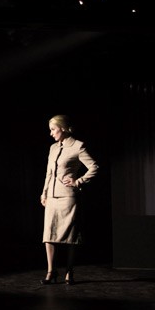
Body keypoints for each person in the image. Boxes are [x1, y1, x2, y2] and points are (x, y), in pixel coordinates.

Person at [39, 115, 99, 285]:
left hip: (67, 197)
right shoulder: (52, 148)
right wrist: (44, 193)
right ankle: (51, 271)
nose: (51, 133)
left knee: (70, 236)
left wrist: (78, 181)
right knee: (48, 235)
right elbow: (49, 173)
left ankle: (69, 271)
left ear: (63, 128)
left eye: (53, 129)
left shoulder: (77, 146)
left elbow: (94, 167)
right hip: (51, 197)